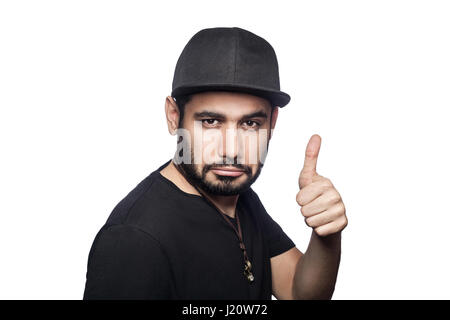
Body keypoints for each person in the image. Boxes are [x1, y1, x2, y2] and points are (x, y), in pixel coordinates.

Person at [83, 27, 348, 300]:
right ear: (174, 116)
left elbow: (298, 291)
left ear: (272, 123)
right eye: (210, 122)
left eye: (250, 124)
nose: (231, 151)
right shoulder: (133, 241)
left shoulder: (239, 197)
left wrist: (326, 234)